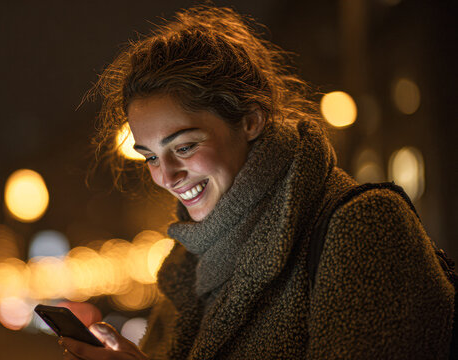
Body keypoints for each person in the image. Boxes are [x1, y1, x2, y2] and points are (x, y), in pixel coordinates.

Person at [59, 5, 454, 359]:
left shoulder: (362, 225)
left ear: (250, 121)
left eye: (184, 146)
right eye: (149, 157)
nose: (166, 176)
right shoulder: (185, 263)